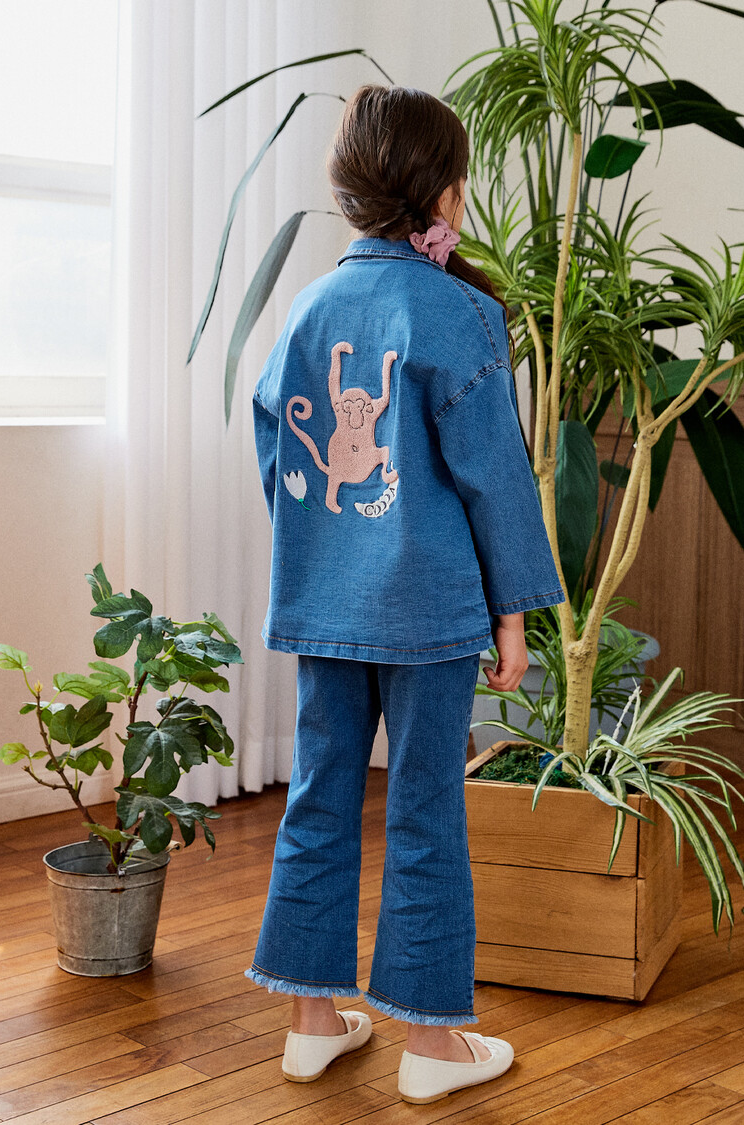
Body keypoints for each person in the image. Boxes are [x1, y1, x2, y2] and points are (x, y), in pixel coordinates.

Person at [245, 84, 566, 1104]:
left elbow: (279, 454)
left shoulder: (308, 309)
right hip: (431, 613)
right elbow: (495, 480)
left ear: (349, 192)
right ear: (449, 195)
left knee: (319, 795)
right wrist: (513, 612)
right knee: (426, 808)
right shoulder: (460, 313)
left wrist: (326, 552)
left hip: (326, 605)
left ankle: (310, 1025)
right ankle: (432, 1042)